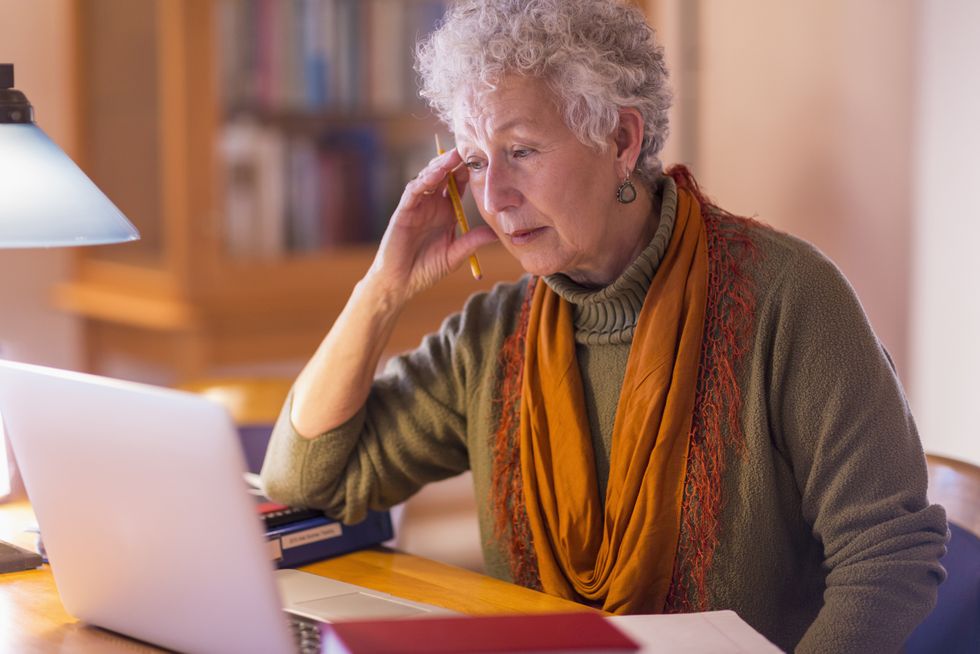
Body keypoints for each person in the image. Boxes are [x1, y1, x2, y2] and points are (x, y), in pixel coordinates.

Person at [260, 1, 947, 651]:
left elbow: (890, 553)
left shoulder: (789, 299)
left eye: (521, 150)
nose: (494, 197)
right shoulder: (493, 337)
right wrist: (382, 290)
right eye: (473, 161)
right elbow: (303, 481)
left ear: (621, 139)